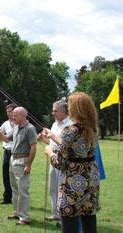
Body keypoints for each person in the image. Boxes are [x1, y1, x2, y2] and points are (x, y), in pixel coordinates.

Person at [44, 92, 100, 233]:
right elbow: (76, 151)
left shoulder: (69, 131)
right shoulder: (93, 129)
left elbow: (59, 163)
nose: (68, 109)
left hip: (73, 183)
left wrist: (49, 152)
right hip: (91, 181)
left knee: (70, 222)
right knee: (89, 220)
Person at [0, 107, 37, 225]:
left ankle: (25, 218)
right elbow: (6, 139)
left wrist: (29, 165)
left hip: (23, 160)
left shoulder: (30, 128)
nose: (13, 117)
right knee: (15, 189)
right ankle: (17, 213)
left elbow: (33, 147)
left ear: (23, 116)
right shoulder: (16, 127)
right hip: (13, 159)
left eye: (15, 115)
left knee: (23, 189)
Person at [39, 100, 72, 223]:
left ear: (64, 111)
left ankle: (63, 216)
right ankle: (56, 213)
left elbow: (65, 145)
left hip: (64, 160)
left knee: (62, 188)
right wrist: (43, 139)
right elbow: (51, 143)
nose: (53, 113)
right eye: (52, 110)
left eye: (55, 111)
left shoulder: (70, 125)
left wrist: (52, 137)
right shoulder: (54, 124)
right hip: (53, 158)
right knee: (53, 188)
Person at [0, 103, 16, 205]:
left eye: (10, 111)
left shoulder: (19, 123)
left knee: (16, 176)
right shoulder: (5, 123)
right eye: (7, 112)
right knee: (6, 175)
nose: (8, 114)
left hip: (17, 153)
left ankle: (17, 198)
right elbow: (0, 134)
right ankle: (7, 198)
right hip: (7, 152)